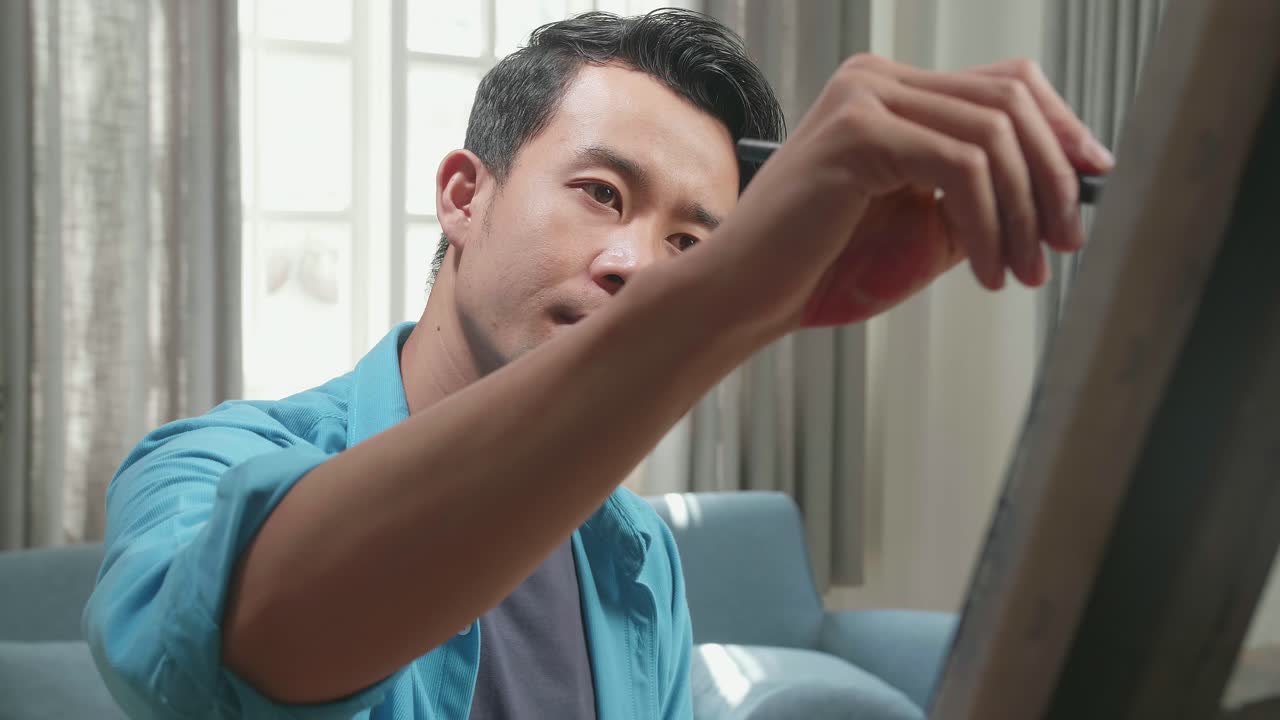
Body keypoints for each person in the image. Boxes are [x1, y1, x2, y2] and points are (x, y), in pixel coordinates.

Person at [83, 8, 1112, 720]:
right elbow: (239, 655)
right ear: (462, 194)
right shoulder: (205, 466)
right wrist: (721, 302)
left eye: (688, 245)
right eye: (601, 195)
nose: (636, 266)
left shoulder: (633, 561)